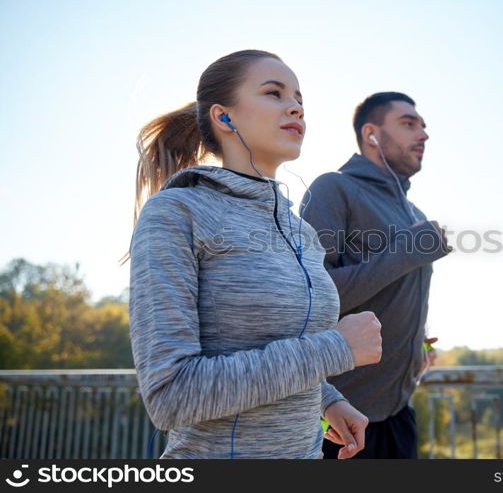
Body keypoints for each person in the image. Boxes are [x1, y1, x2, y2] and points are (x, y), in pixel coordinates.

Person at [125, 49, 383, 459]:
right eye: (274, 93)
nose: (295, 107)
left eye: (299, 98)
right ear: (224, 117)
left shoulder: (300, 231)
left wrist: (327, 399)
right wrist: (336, 348)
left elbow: (282, 341)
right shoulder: (177, 213)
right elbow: (171, 395)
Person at [301, 92, 451, 458]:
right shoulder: (333, 188)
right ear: (372, 134)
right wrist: (408, 250)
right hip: (336, 423)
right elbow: (309, 296)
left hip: (398, 416)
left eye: (424, 126)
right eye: (408, 124)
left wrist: (416, 343)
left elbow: (393, 292)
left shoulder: (412, 209)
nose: (423, 135)